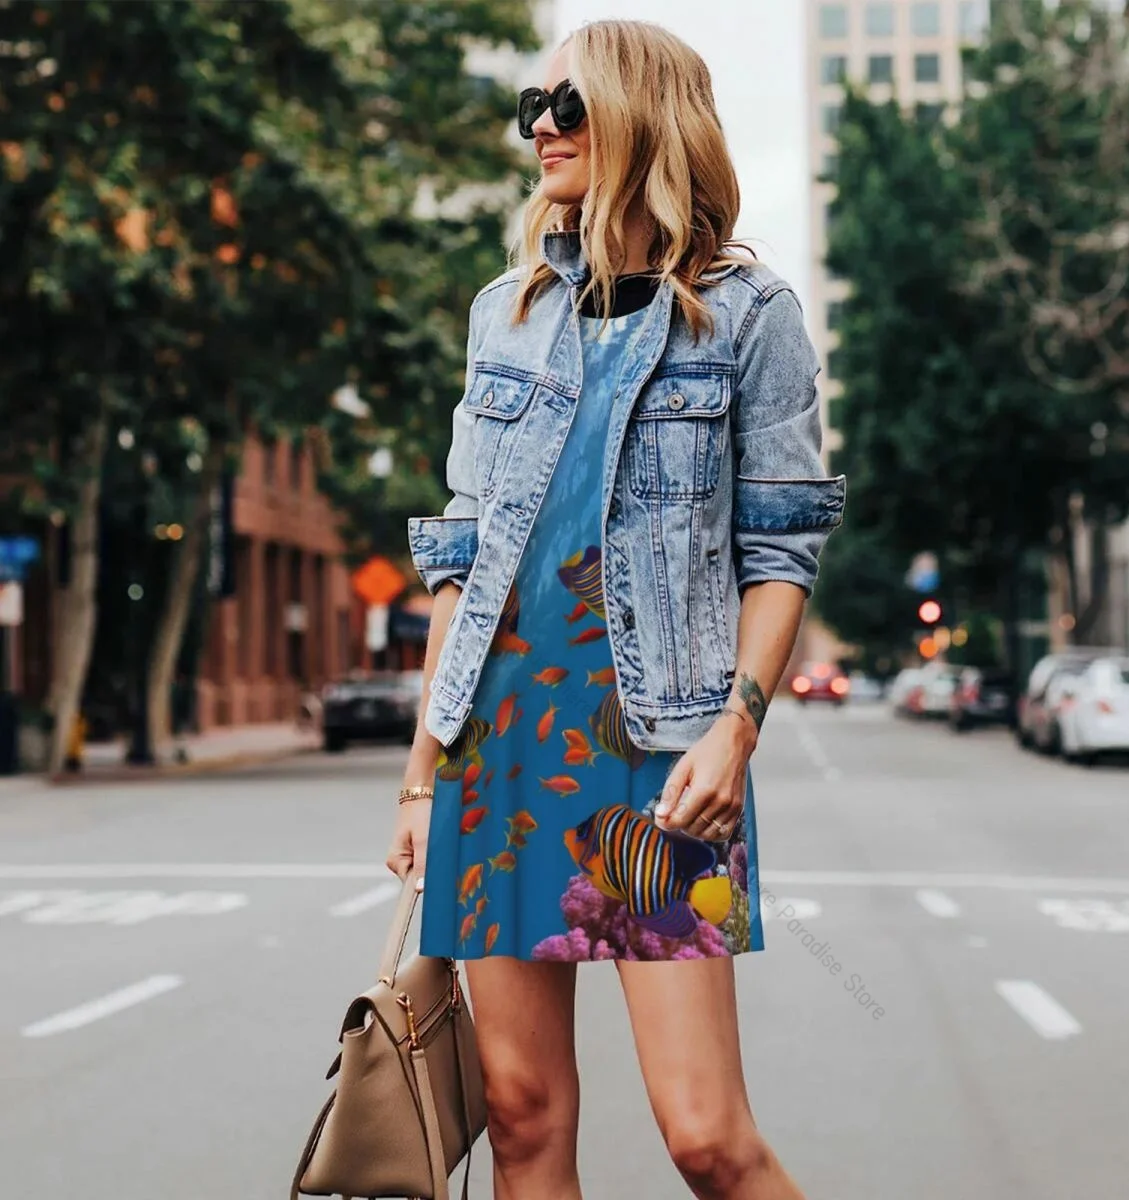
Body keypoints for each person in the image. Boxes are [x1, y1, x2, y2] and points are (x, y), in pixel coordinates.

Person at [388, 19, 845, 1200]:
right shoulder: (507, 312)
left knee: (706, 1137)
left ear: (645, 116)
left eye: (568, 107)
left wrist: (737, 729)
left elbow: (780, 550)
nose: (540, 126)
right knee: (525, 1120)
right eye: (532, 107)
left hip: (659, 756)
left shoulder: (749, 315)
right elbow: (463, 553)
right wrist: (421, 771)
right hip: (498, 753)